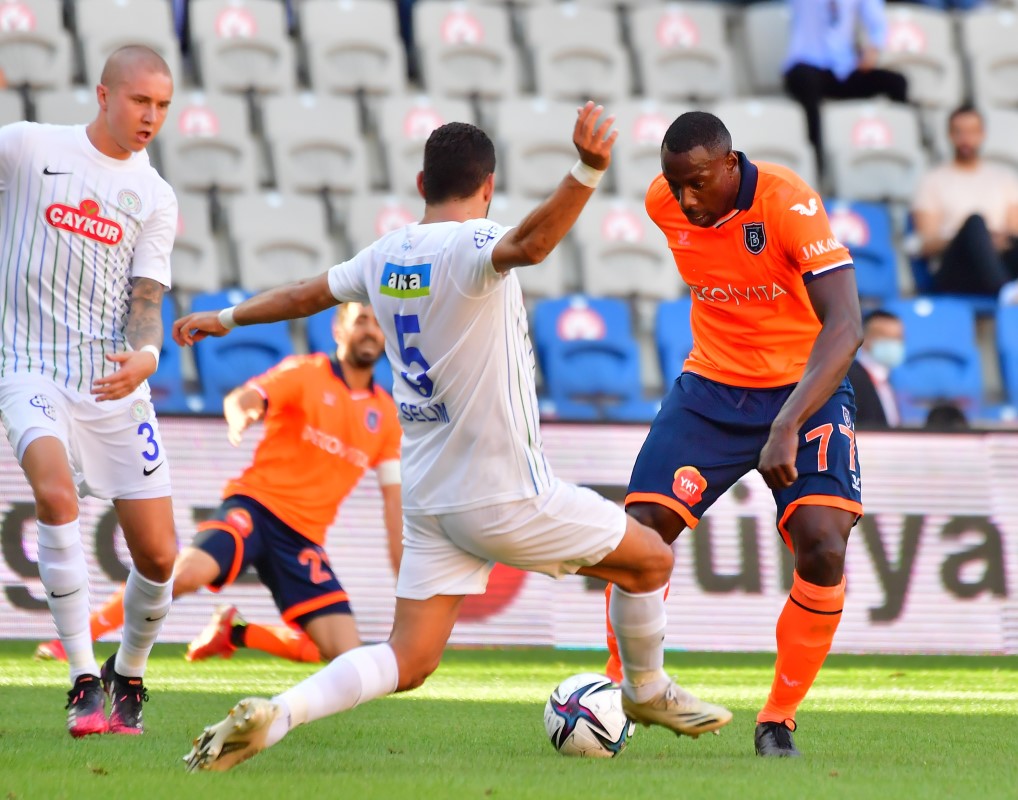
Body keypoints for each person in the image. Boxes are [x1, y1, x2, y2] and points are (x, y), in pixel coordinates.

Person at [176, 103, 733, 773]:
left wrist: (224, 317)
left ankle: (281, 712)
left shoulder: (383, 256)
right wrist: (587, 169)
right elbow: (530, 246)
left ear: (421, 184)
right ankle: (645, 690)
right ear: (488, 187)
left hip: (432, 499)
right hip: (504, 492)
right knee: (651, 560)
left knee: (408, 659)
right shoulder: (474, 244)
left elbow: (301, 295)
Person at [602, 111, 864, 758]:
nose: (685, 199)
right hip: (712, 389)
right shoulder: (664, 201)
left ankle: (778, 718)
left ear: (730, 164)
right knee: (639, 534)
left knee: (823, 545)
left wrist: (787, 423)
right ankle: (616, 695)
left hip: (804, 391)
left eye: (697, 183)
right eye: (675, 184)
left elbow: (846, 326)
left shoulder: (788, 203)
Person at [33, 302, 403, 666]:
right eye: (361, 320)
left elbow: (395, 503)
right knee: (186, 574)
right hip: (256, 508)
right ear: (338, 330)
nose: (370, 330)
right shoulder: (307, 373)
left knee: (345, 654)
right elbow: (245, 397)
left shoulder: (386, 416)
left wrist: (407, 575)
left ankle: (236, 632)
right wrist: (242, 413)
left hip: (303, 539)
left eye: (377, 323)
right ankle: (76, 638)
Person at [0, 45, 178, 737]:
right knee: (55, 495)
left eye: (163, 106)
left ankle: (126, 671)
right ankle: (81, 680)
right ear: (104, 96)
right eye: (141, 101)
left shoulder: (155, 195)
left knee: (159, 556)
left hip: (110, 380)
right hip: (28, 365)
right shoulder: (28, 147)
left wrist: (146, 356)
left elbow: (147, 299)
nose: (152, 116)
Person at [783, 0, 908, 184]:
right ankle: (817, 168)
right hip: (805, 63)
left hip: (843, 68)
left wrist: (873, 48)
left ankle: (902, 149)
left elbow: (877, 22)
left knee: (897, 82)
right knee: (808, 86)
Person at [911, 104, 1018, 299]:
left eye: (972, 131)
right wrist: (975, 239)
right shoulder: (933, 180)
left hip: (999, 261)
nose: (965, 138)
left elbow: (1013, 231)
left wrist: (993, 242)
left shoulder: (1004, 179)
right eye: (959, 132)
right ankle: (1006, 292)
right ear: (950, 135)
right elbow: (926, 243)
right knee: (975, 223)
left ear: (982, 134)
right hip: (955, 270)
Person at [847, 309, 904, 429]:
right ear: (865, 338)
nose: (894, 343)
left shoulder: (886, 381)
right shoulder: (851, 379)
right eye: (885, 337)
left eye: (898, 338)